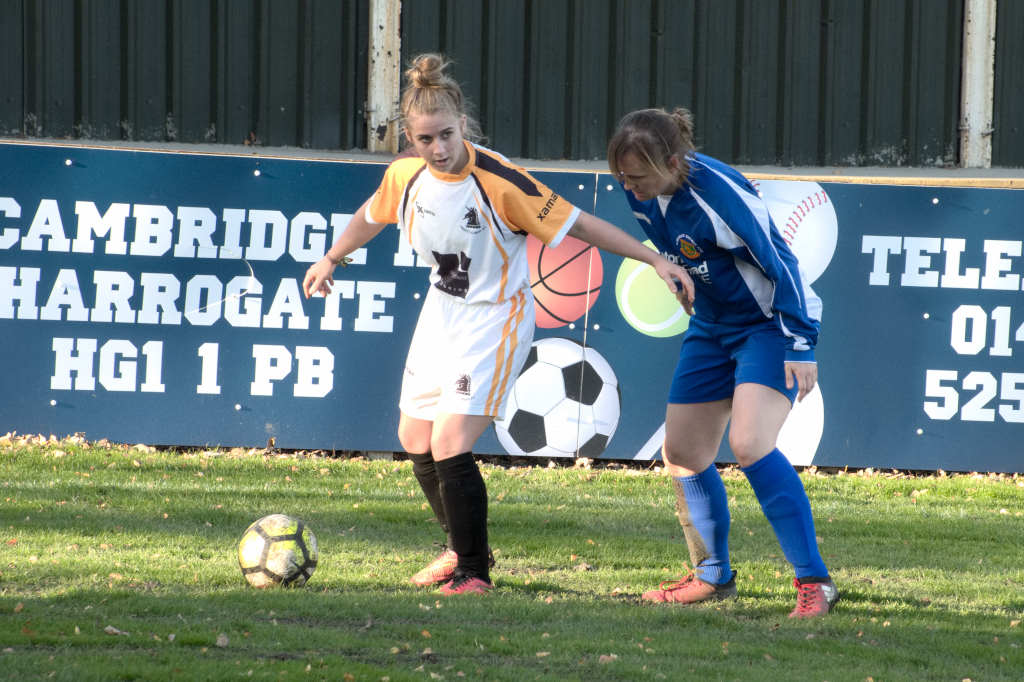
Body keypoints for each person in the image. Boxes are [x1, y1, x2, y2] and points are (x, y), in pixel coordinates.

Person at [302, 56, 694, 596]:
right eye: (423, 139)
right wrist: (331, 258)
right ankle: (461, 548)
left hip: (496, 318)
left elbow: (581, 224)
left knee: (448, 441)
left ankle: (473, 574)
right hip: (440, 313)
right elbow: (372, 215)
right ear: (409, 139)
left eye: (445, 134)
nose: (437, 148)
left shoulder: (501, 183)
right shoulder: (405, 175)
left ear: (464, 124)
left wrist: (653, 260)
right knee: (412, 434)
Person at [606, 107, 839, 618]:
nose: (630, 187)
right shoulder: (640, 186)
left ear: (671, 160)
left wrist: (800, 341)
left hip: (768, 325)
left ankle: (814, 583)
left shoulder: (721, 195)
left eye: (639, 176)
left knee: (751, 444)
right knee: (684, 451)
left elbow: (781, 263)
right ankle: (712, 577)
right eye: (623, 176)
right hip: (712, 325)